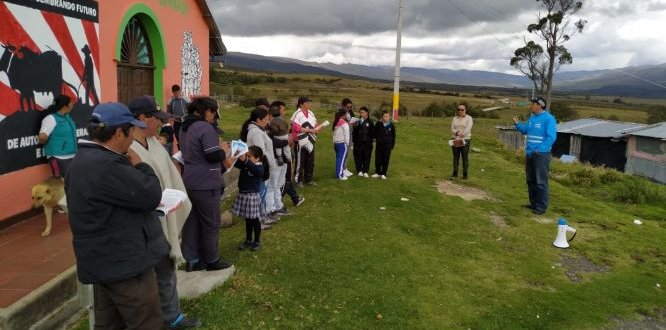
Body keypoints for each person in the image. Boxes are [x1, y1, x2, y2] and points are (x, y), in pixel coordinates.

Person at [65, 102, 168, 329]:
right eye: (131, 131)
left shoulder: (82, 161)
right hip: (126, 265)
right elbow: (150, 194)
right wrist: (141, 166)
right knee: (146, 321)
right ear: (120, 132)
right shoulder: (107, 165)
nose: (133, 138)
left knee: (109, 323)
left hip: (103, 261)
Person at [127, 96, 201, 328]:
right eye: (155, 119)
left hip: (164, 217)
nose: (160, 124)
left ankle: (172, 317)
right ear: (141, 118)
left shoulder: (155, 144)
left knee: (166, 270)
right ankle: (152, 319)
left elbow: (168, 174)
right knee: (145, 280)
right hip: (143, 225)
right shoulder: (127, 148)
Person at [179, 97, 233, 272]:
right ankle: (211, 259)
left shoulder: (184, 127)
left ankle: (192, 259)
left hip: (189, 180)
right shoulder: (204, 127)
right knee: (211, 222)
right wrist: (223, 151)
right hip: (206, 182)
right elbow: (211, 155)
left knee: (192, 222)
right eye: (213, 113)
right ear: (207, 111)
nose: (214, 117)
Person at [513, 96, 557, 215]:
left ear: (539, 105)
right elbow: (525, 130)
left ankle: (541, 207)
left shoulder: (549, 119)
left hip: (541, 156)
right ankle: (533, 204)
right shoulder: (532, 118)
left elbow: (551, 137)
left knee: (540, 181)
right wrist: (517, 124)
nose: (531, 106)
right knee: (531, 180)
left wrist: (539, 150)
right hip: (530, 154)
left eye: (533, 104)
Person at [241, 107, 281, 223]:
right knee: (260, 193)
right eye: (266, 119)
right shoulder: (256, 132)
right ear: (258, 119)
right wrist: (268, 165)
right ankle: (258, 220)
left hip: (262, 165)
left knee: (262, 193)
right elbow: (261, 151)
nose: (268, 122)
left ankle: (262, 217)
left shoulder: (259, 130)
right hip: (259, 166)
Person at [232, 145, 270, 251]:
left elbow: (256, 171)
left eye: (249, 156)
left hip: (252, 197)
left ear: (257, 158)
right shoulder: (246, 164)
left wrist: (245, 160)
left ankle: (257, 241)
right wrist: (235, 153)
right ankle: (248, 240)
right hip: (243, 195)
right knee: (248, 220)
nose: (247, 158)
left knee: (255, 220)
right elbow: (236, 163)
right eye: (246, 155)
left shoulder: (259, 167)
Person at [39, 95, 77, 177]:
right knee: (60, 183)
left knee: (70, 182)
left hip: (71, 155)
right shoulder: (51, 118)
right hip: (58, 157)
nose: (72, 106)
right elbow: (42, 137)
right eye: (71, 104)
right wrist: (53, 146)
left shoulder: (67, 117)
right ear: (65, 106)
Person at [268, 101, 293, 215]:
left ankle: (278, 206)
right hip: (274, 159)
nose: (283, 112)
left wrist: (287, 142)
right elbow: (273, 142)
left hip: (283, 158)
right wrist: (285, 142)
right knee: (272, 185)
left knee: (279, 184)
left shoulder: (281, 123)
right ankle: (271, 209)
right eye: (281, 110)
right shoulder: (270, 126)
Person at [291, 96, 321, 186]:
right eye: (307, 103)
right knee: (300, 161)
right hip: (300, 140)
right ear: (301, 104)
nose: (309, 104)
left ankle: (309, 179)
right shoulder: (297, 113)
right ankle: (298, 180)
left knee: (310, 161)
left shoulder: (311, 113)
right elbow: (294, 126)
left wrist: (318, 128)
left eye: (309, 102)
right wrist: (309, 130)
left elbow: (315, 123)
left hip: (311, 140)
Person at [450, 103, 474, 180]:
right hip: (455, 139)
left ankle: (465, 175)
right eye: (459, 109)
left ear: (465, 110)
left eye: (462, 109)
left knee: (464, 157)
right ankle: (455, 173)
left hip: (465, 140)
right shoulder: (454, 118)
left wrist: (462, 134)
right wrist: (457, 133)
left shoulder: (469, 118)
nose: (460, 111)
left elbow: (468, 128)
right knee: (456, 157)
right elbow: (452, 128)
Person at [372, 111, 396, 180]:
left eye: (388, 116)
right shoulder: (378, 124)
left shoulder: (391, 125)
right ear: (382, 117)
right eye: (385, 116)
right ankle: (377, 172)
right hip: (379, 145)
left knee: (385, 159)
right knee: (378, 159)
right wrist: (376, 138)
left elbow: (393, 136)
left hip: (387, 146)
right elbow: (374, 132)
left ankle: (383, 174)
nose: (387, 118)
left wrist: (392, 145)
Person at [352, 106, 374, 177]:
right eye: (360, 112)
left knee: (367, 157)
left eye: (363, 112)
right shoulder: (357, 121)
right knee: (358, 156)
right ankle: (359, 170)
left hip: (367, 143)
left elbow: (372, 133)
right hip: (358, 143)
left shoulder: (370, 122)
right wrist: (355, 126)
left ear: (367, 113)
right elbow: (354, 132)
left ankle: (365, 171)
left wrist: (370, 141)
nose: (361, 114)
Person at [332, 109, 350, 180]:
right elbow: (347, 134)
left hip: (336, 143)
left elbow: (333, 134)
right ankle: (340, 175)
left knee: (338, 159)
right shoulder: (344, 123)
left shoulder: (336, 122)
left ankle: (340, 172)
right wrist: (347, 143)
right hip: (342, 144)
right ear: (344, 115)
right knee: (341, 160)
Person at [340, 98, 355, 178]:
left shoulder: (351, 113)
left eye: (350, 107)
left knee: (348, 153)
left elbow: (352, 121)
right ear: (343, 106)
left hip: (350, 134)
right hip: (343, 136)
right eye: (348, 107)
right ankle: (341, 169)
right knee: (343, 153)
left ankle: (345, 168)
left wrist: (355, 123)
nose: (349, 109)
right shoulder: (340, 113)